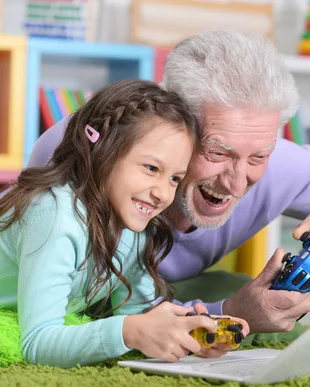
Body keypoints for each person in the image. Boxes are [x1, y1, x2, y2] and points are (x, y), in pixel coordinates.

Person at [26, 30, 310, 335]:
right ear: (173, 123)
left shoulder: (282, 163)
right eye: (217, 152)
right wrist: (231, 312)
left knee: (242, 287)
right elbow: (77, 312)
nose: (236, 181)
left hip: (158, 291)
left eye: (258, 156)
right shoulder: (84, 153)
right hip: (76, 292)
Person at [0, 79, 249, 368]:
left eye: (174, 178)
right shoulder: (56, 218)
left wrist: (188, 331)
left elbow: (140, 314)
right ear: (101, 151)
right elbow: (38, 344)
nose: (163, 193)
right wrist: (128, 331)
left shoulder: (134, 226)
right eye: (151, 168)